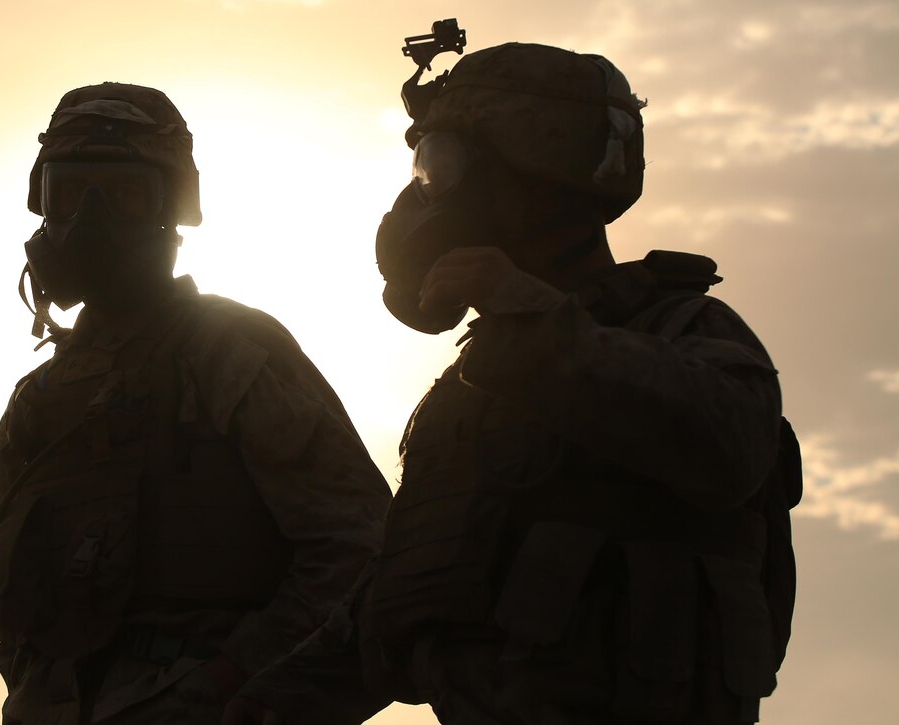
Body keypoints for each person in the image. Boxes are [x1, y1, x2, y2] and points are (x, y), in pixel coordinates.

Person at [223, 41, 800, 725]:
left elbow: (732, 443)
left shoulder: (682, 326)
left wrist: (530, 316)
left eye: (444, 165)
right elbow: (390, 609)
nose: (427, 194)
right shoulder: (469, 392)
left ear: (536, 170)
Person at [0, 82, 393, 725]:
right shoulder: (41, 400)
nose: (93, 220)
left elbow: (358, 555)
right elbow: (21, 619)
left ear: (171, 210)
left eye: (125, 195)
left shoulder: (230, 354)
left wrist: (232, 683)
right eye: (71, 193)